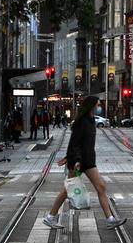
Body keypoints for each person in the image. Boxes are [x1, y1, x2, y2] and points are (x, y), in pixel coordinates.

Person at [43, 96, 127, 230]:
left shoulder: (91, 120)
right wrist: (74, 159)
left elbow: (83, 143)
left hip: (88, 161)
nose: (99, 106)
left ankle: (110, 219)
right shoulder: (82, 121)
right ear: (92, 105)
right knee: (66, 190)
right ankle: (50, 217)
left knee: (101, 187)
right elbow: (75, 142)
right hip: (79, 161)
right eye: (98, 104)